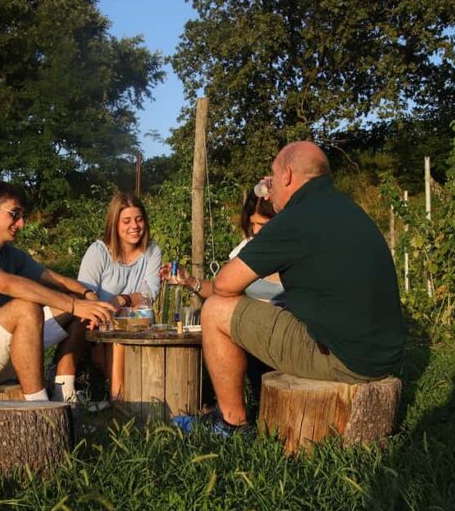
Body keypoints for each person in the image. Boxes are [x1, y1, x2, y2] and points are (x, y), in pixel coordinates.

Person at [184, 141, 406, 435]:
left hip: (346, 360)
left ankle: (230, 424)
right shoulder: (349, 210)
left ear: (287, 175)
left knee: (215, 310)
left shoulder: (294, 219)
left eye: (273, 177)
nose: (268, 184)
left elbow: (224, 285)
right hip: (383, 355)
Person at [0, 181, 116, 403]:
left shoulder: (12, 255)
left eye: (22, 216)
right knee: (26, 308)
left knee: (80, 309)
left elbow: (57, 280)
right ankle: (39, 407)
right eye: (14, 215)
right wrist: (72, 304)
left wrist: (87, 297)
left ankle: (64, 391)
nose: (21, 223)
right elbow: (4, 283)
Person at [159, 190, 284, 404]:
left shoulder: (294, 247)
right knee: (215, 311)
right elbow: (222, 290)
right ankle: (226, 408)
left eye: (262, 225)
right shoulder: (249, 248)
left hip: (286, 332)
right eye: (251, 225)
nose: (255, 232)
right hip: (254, 337)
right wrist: (189, 280)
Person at [77, 191, 162, 399]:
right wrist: (103, 308)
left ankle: (120, 396)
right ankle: (115, 395)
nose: (134, 226)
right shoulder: (99, 252)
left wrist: (122, 299)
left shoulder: (152, 251)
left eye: (139, 219)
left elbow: (150, 293)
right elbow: (82, 290)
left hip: (135, 323)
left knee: (123, 329)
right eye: (126, 221)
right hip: (99, 322)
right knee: (111, 332)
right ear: (114, 224)